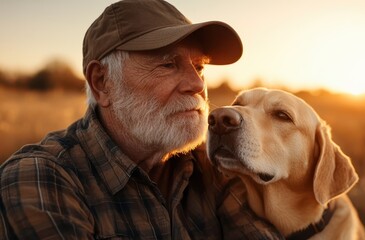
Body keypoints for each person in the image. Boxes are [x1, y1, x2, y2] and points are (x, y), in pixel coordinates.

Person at [0, 0, 283, 239]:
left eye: (199, 67)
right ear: (102, 83)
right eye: (168, 64)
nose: (197, 84)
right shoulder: (40, 177)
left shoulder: (212, 164)